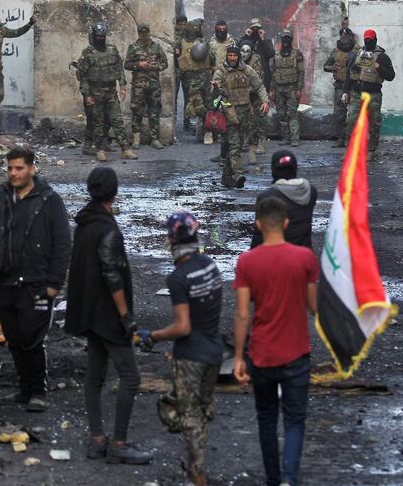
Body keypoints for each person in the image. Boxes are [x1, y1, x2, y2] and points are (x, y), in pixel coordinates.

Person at [0, 147, 71, 413]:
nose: (13, 173)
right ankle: (23, 389)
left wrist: (54, 283)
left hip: (36, 282)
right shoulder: (2, 195)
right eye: (10, 168)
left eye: (19, 168)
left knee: (32, 338)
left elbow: (63, 243)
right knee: (14, 338)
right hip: (7, 280)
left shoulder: (49, 200)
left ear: (32, 168)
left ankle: (38, 390)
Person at [65, 167, 151, 465]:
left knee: (95, 375)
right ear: (114, 192)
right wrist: (126, 317)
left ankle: (97, 439)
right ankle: (119, 443)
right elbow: (112, 275)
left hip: (89, 312)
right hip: (107, 316)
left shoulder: (85, 223)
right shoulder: (107, 229)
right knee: (130, 376)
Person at [233, 196, 319, 486]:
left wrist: (237, 358)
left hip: (261, 354)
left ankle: (272, 479)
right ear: (285, 223)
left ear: (258, 225)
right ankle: (288, 479)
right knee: (295, 420)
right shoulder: (304, 258)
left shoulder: (246, 261)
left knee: (267, 419)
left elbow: (243, 315)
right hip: (296, 352)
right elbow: (313, 307)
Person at [135, 212, 222, 486]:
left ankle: (197, 474)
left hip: (191, 356)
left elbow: (183, 327)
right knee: (203, 409)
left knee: (189, 416)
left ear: (171, 240)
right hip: (215, 351)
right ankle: (196, 467)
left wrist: (154, 336)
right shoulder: (210, 266)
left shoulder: (178, 277)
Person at [79, 22, 138, 162]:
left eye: (102, 36)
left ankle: (126, 149)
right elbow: (84, 77)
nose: (101, 39)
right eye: (98, 36)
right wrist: (86, 95)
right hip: (95, 92)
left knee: (117, 120)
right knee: (97, 122)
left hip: (111, 91)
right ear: (94, 36)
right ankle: (99, 150)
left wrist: (122, 86)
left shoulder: (112, 50)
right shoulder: (88, 53)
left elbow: (119, 68)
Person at [211, 45, 269, 188]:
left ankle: (226, 176)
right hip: (229, 113)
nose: (232, 58)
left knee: (240, 142)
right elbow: (213, 95)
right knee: (235, 144)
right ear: (227, 56)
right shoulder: (221, 72)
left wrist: (265, 101)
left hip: (245, 113)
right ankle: (238, 173)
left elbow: (259, 85)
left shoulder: (247, 70)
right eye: (230, 55)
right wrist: (216, 89)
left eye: (234, 56)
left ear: (238, 57)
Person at [342, 28, 395, 159]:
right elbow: (349, 74)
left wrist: (377, 66)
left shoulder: (382, 57)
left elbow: (391, 76)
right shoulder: (357, 55)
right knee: (351, 122)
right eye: (366, 40)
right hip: (356, 93)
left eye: (370, 40)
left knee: (374, 123)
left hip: (373, 95)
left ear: (375, 40)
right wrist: (345, 92)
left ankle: (371, 150)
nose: (368, 42)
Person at [251, 150, 316, 249]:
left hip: (275, 255)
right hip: (303, 253)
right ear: (295, 168)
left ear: (273, 169)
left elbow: (259, 234)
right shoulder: (310, 191)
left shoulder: (267, 196)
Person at [124, 23, 169, 150]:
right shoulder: (133, 47)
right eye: (142, 32)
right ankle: (136, 138)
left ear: (149, 32)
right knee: (137, 111)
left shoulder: (156, 47)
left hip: (154, 85)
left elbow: (165, 63)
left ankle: (155, 138)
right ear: (138, 33)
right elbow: (126, 65)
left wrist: (155, 67)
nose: (144, 35)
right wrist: (139, 64)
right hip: (139, 85)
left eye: (146, 32)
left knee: (154, 111)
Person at [176, 19, 215, 141]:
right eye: (197, 28)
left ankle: (206, 129)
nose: (199, 30)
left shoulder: (203, 42)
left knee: (208, 103)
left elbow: (211, 58)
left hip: (204, 76)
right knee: (192, 103)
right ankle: (189, 123)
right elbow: (177, 59)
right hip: (189, 77)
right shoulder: (181, 42)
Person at [269, 28, 305, 147]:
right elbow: (272, 73)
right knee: (281, 114)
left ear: (291, 40)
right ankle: (285, 138)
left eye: (288, 38)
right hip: (279, 89)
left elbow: (301, 72)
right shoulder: (275, 55)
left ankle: (294, 139)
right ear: (281, 39)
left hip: (292, 88)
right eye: (284, 38)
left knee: (292, 114)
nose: (285, 41)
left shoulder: (297, 54)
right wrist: (272, 89)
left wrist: (299, 89)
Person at [324, 29, 359, 146]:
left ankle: (354, 139)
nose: (344, 37)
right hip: (339, 86)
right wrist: (333, 67)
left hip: (353, 87)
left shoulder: (358, 51)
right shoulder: (335, 51)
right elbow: (326, 66)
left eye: (346, 35)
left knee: (354, 115)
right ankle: (341, 138)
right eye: (342, 35)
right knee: (339, 115)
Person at [239, 39, 268, 163]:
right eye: (242, 51)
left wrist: (247, 91)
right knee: (245, 119)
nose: (244, 54)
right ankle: (246, 140)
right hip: (242, 95)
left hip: (254, 93)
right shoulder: (236, 60)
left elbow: (257, 82)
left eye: (247, 51)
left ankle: (261, 141)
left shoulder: (255, 62)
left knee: (260, 118)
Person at [241, 18, 275, 90]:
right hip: (248, 77)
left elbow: (271, 54)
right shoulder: (245, 41)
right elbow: (238, 52)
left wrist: (262, 39)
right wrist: (246, 37)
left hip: (263, 77)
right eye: (254, 28)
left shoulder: (266, 41)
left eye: (258, 28)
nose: (256, 30)